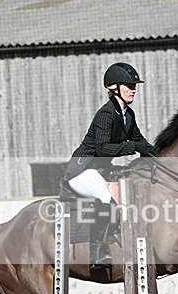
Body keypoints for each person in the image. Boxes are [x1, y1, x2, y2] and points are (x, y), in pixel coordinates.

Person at [61, 62, 157, 269]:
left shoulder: (128, 115)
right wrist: (133, 147)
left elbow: (141, 142)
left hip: (99, 170)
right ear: (114, 88)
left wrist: (160, 155)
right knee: (107, 198)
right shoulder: (106, 114)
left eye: (134, 85)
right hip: (81, 170)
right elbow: (103, 148)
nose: (134, 89)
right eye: (129, 85)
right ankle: (98, 253)